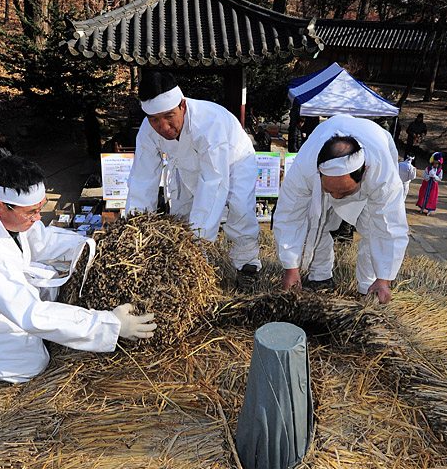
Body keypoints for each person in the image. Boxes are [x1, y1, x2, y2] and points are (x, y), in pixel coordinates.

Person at [0, 156, 156, 385]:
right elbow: (31, 313)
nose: (38, 218)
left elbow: (39, 240)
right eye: (31, 213)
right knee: (30, 363)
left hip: (3, 303)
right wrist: (110, 325)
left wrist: (91, 246)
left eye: (40, 208)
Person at [125, 71, 261, 290]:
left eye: (169, 116)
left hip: (234, 160)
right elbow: (142, 178)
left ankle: (247, 265)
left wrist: (198, 241)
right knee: (182, 216)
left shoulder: (209, 123)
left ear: (182, 106)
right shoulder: (147, 131)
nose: (163, 127)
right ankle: (193, 269)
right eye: (154, 120)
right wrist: (135, 230)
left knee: (239, 209)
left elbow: (214, 182)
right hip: (186, 165)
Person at [273, 115, 408, 305]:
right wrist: (290, 268)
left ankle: (369, 287)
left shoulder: (382, 174)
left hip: (369, 188)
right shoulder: (305, 165)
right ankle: (320, 276)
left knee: (372, 228)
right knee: (315, 219)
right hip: (322, 173)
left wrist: (384, 278)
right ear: (318, 172)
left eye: (343, 192)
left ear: (365, 171)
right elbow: (289, 214)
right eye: (331, 191)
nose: (336, 197)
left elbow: (389, 226)